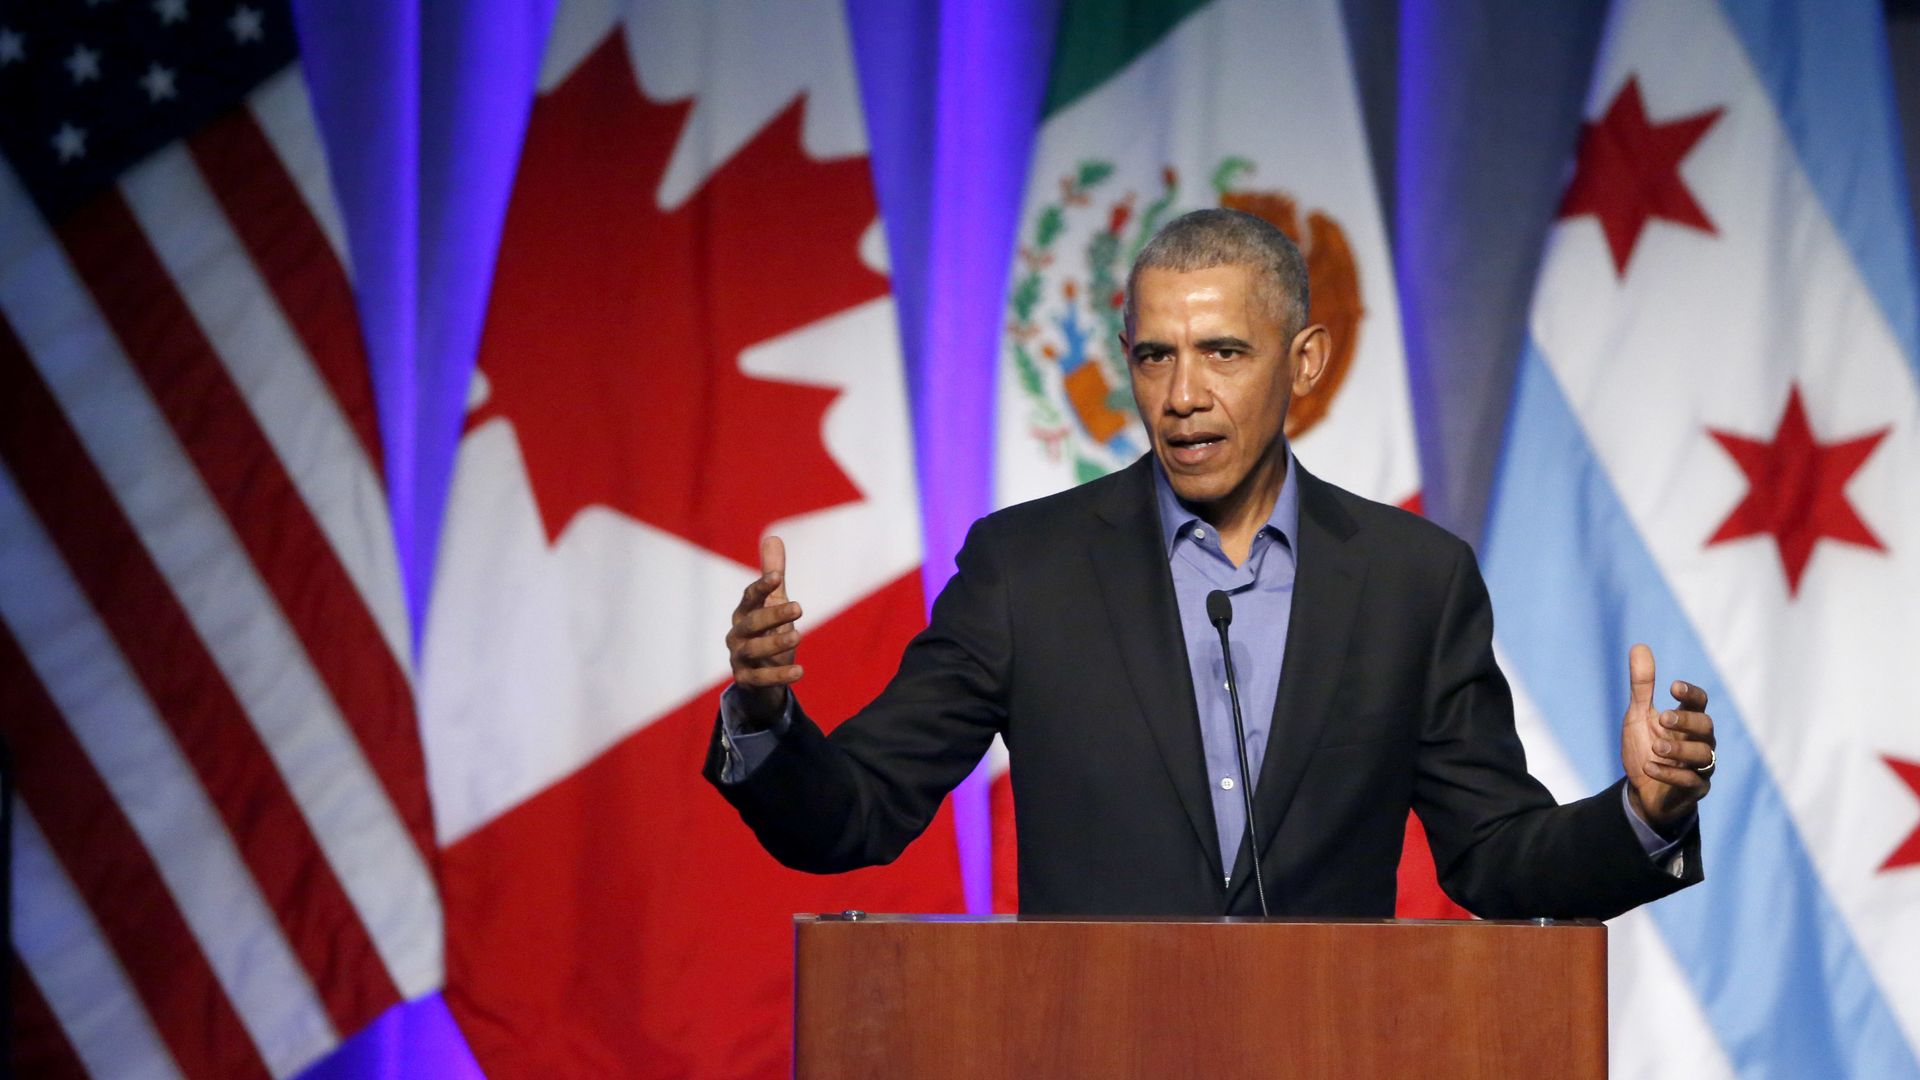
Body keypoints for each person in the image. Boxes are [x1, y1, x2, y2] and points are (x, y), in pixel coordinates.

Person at [705, 208, 1714, 918]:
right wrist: (763, 719)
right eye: (1155, 357)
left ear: (1305, 362)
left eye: (1224, 353)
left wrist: (1642, 815)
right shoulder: (1028, 569)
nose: (1183, 394)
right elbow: (854, 816)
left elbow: (1497, 860)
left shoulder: (1414, 582)